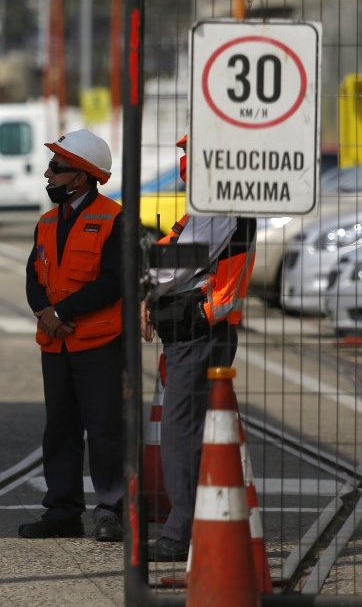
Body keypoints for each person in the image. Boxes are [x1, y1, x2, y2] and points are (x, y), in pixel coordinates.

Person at [142, 134, 256, 562]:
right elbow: (177, 253)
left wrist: (143, 282)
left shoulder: (218, 203)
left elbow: (181, 263)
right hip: (196, 329)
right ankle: (202, 523)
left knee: (181, 433)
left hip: (199, 329)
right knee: (196, 431)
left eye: (191, 154)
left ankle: (181, 534)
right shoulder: (213, 202)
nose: (184, 162)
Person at [22, 129, 125, 543]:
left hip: (98, 343)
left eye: (56, 168)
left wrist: (61, 313)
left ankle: (111, 511)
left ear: (81, 177)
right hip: (56, 343)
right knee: (60, 429)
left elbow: (114, 282)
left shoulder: (115, 219)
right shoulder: (47, 222)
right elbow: (34, 275)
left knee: (104, 429)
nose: (48, 174)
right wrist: (45, 314)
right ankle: (63, 511)